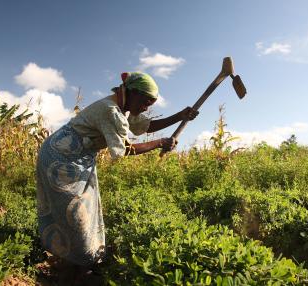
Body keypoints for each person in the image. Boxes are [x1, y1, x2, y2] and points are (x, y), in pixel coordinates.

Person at [35, 72, 198, 284]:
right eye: (145, 102)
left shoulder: (123, 108)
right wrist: (159, 143)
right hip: (61, 159)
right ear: (132, 92)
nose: (146, 108)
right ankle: (74, 268)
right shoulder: (110, 110)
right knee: (75, 214)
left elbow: (144, 127)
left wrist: (179, 116)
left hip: (79, 158)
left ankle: (79, 264)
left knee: (86, 211)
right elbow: (125, 150)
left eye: (151, 104)